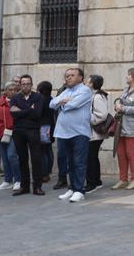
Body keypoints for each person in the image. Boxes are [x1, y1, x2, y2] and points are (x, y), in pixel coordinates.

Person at [48, 68, 94, 203]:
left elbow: (72, 105)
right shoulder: (66, 91)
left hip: (79, 132)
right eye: (67, 76)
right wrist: (63, 101)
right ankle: (72, 187)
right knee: (69, 162)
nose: (68, 78)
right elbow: (51, 104)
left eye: (72, 75)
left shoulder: (84, 90)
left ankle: (79, 190)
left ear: (80, 77)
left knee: (79, 162)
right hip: (63, 132)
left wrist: (62, 103)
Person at [113, 67, 134, 190]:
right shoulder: (125, 90)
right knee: (120, 153)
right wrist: (117, 105)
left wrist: (123, 108)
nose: (126, 77)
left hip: (132, 127)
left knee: (130, 153)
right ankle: (123, 179)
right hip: (121, 126)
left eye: (129, 75)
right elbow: (120, 102)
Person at [10, 75, 45, 196]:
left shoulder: (38, 97)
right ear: (20, 85)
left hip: (33, 130)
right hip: (18, 131)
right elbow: (13, 114)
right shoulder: (15, 97)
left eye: (28, 83)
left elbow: (37, 114)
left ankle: (37, 186)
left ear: (31, 84)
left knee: (36, 159)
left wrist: (21, 110)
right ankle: (24, 186)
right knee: (22, 159)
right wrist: (29, 109)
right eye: (23, 83)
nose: (25, 86)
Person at [0, 82, 21, 192]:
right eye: (10, 89)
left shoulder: (19, 101)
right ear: (5, 91)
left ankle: (18, 180)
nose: (13, 91)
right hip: (1, 133)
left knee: (11, 156)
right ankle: (7, 180)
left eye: (15, 89)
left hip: (14, 133)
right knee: (4, 158)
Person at [86, 75, 109, 193]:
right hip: (93, 133)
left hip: (94, 133)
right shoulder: (95, 95)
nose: (86, 82)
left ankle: (91, 183)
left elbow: (102, 114)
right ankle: (96, 181)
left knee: (90, 158)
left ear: (92, 84)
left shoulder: (97, 97)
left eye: (88, 81)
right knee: (93, 157)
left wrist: (88, 118)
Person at [36, 81, 55, 184]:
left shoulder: (40, 100)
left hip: (42, 127)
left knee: (42, 152)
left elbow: (38, 114)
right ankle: (48, 172)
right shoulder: (51, 99)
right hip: (50, 126)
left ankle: (44, 174)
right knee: (48, 151)